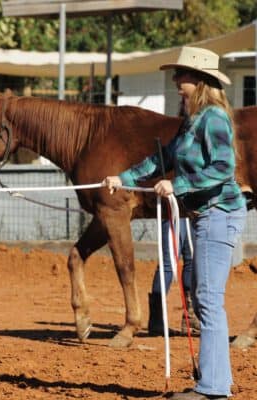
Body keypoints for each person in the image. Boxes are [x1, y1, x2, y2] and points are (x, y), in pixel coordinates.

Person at [103, 46, 246, 400]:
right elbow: (160, 159)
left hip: (219, 214)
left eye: (180, 76)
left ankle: (212, 388)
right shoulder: (191, 121)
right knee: (205, 298)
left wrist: (177, 184)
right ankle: (216, 384)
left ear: (198, 81)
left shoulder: (213, 117)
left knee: (208, 301)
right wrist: (123, 178)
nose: (175, 81)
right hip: (204, 216)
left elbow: (223, 169)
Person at [148, 218, 200, 336]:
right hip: (173, 210)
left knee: (192, 261)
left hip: (192, 210)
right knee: (168, 263)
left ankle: (190, 317)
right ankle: (156, 321)